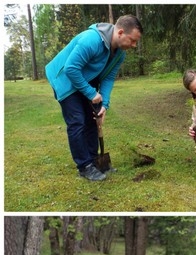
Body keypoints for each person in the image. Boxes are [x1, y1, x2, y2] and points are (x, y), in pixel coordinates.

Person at [45, 15, 143, 182]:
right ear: (120, 32)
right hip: (64, 79)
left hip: (85, 78)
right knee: (77, 121)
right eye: (132, 40)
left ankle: (94, 161)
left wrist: (104, 104)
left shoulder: (120, 54)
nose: (134, 45)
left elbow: (109, 78)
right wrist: (91, 94)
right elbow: (71, 68)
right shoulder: (91, 40)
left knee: (92, 120)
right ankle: (84, 166)